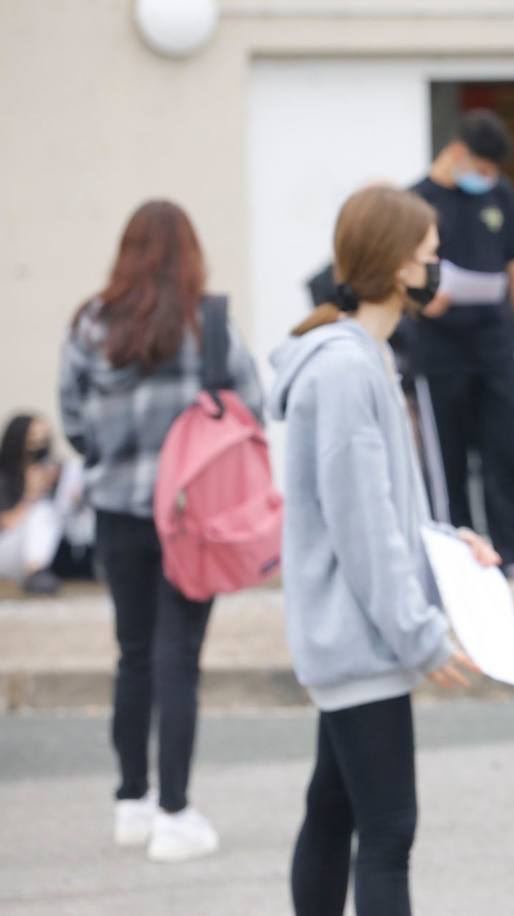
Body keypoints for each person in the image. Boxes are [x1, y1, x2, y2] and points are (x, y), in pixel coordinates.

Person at [269, 185, 499, 916]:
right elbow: (362, 530)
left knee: (335, 813)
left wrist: (446, 542)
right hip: (362, 640)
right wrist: (421, 637)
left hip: (354, 637)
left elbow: (381, 510)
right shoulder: (343, 371)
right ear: (399, 268)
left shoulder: (363, 357)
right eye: (433, 256)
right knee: (388, 832)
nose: (441, 270)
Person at [58, 199, 265, 861]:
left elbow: (74, 419)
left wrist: (113, 455)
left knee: (134, 654)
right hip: (192, 519)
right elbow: (250, 408)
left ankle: (132, 799)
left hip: (118, 512)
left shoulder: (90, 322)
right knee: (179, 658)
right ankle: (175, 814)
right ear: (190, 254)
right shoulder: (209, 325)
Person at [405, 109, 514, 573]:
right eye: (482, 168)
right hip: (437, 349)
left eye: (493, 173)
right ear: (456, 153)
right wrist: (423, 299)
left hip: (493, 343)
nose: (486, 179)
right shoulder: (417, 201)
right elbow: (401, 276)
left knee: (510, 446)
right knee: (445, 457)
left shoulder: (500, 196)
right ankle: (453, 552)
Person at [0, 414, 69, 594]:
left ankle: (38, 573)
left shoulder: (52, 471)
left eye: (43, 439)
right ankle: (36, 574)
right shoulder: (4, 476)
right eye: (32, 439)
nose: (39, 445)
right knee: (42, 511)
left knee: (48, 511)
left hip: (39, 551)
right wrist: (30, 496)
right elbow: (6, 523)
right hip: (7, 548)